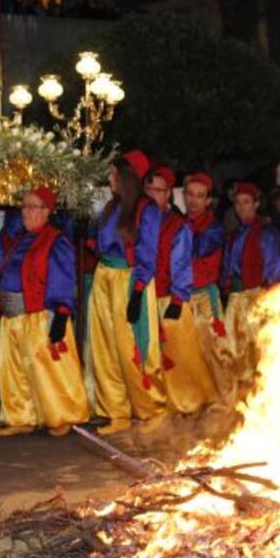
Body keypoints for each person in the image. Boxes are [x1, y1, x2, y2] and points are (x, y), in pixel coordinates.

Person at [0, 185, 89, 436]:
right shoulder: (19, 239)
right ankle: (21, 417)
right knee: (14, 370)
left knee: (48, 368)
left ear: (47, 211)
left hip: (39, 315)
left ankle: (63, 415)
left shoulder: (56, 240)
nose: (25, 212)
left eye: (32, 207)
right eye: (23, 206)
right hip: (13, 315)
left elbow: (63, 278)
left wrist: (61, 312)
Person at [85, 150, 166, 435]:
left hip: (130, 281)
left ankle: (150, 410)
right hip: (103, 278)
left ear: (126, 177)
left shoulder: (147, 210)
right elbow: (101, 243)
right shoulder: (111, 207)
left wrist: (138, 292)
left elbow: (148, 252)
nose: (109, 179)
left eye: (113, 174)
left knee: (133, 347)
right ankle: (115, 412)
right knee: (104, 347)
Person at [146, 166, 216, 414]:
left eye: (160, 190)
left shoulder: (187, 226)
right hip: (154, 295)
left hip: (184, 297)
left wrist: (177, 298)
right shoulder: (152, 220)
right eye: (190, 194)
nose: (194, 200)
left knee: (191, 353)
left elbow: (184, 262)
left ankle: (196, 401)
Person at [223, 182, 280, 388]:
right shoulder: (234, 235)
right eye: (238, 203)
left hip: (256, 298)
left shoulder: (266, 234)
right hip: (236, 299)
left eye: (247, 202)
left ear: (256, 204)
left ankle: (263, 393)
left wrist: (269, 302)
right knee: (235, 351)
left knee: (259, 350)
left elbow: (275, 269)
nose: (242, 207)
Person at [183, 172, 234, 403]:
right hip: (182, 297)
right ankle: (194, 400)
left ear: (207, 201)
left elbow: (195, 249)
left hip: (204, 298)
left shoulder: (213, 229)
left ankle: (222, 400)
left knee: (213, 352)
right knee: (186, 353)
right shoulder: (181, 222)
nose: (193, 200)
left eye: (199, 196)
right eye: (190, 194)